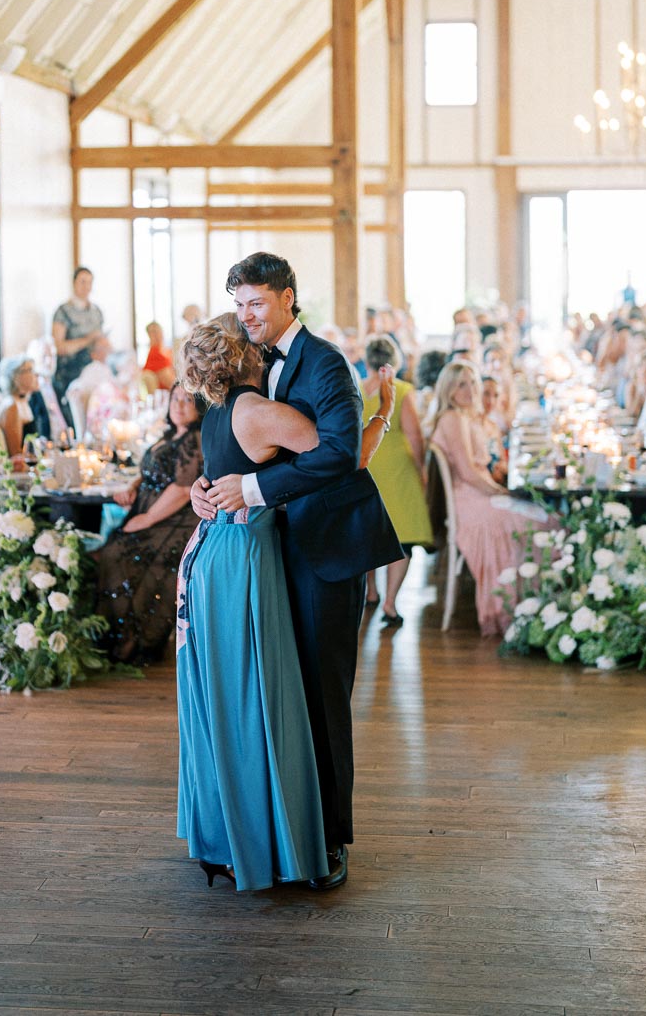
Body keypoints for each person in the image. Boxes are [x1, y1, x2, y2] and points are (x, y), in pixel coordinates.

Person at [191, 253, 401, 892]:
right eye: (238, 301)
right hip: (264, 556)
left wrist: (252, 490)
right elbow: (230, 448)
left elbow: (339, 455)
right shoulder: (243, 369)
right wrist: (207, 489)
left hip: (324, 548)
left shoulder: (326, 361)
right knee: (274, 699)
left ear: (287, 298)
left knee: (321, 696)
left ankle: (331, 840)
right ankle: (282, 835)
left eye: (257, 301)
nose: (247, 313)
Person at [92, 384, 206, 665]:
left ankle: (134, 638)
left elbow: (181, 489)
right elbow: (149, 472)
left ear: (199, 406)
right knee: (110, 551)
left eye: (187, 400)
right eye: (175, 398)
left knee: (116, 554)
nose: (179, 405)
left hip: (173, 520)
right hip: (151, 513)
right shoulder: (169, 436)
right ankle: (121, 634)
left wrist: (147, 518)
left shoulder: (194, 439)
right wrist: (132, 486)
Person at [429, 360, 535, 638]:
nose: (470, 389)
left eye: (472, 381)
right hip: (469, 501)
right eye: (461, 384)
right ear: (449, 391)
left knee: (536, 516)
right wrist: (501, 493)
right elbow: (468, 472)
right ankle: (520, 608)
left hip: (476, 492)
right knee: (537, 522)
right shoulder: (452, 418)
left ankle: (531, 605)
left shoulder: (466, 416)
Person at [360, 335, 431, 626]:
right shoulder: (401, 390)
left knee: (367, 536)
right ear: (396, 360)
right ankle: (390, 602)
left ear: (367, 361)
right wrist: (422, 470)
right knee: (401, 541)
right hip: (399, 471)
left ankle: (372, 592)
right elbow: (414, 436)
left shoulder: (356, 389)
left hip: (367, 468)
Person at [52, 266, 105, 417]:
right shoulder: (63, 312)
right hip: (70, 374)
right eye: (82, 282)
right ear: (74, 283)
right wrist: (88, 339)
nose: (86, 286)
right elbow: (59, 347)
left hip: (93, 371)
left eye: (89, 282)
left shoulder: (96, 312)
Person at [64, 335, 113, 441]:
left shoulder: (108, 368)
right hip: (101, 416)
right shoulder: (93, 368)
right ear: (93, 354)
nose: (108, 350)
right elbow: (78, 386)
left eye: (107, 347)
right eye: (103, 348)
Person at [0, 356, 40, 457]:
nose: (36, 374)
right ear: (16, 377)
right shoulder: (11, 407)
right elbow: (16, 454)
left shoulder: (23, 402)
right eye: (30, 370)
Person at [141, 321, 176, 391]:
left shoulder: (168, 351)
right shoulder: (154, 354)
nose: (157, 335)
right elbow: (168, 381)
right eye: (153, 332)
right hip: (166, 391)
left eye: (158, 331)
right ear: (149, 336)